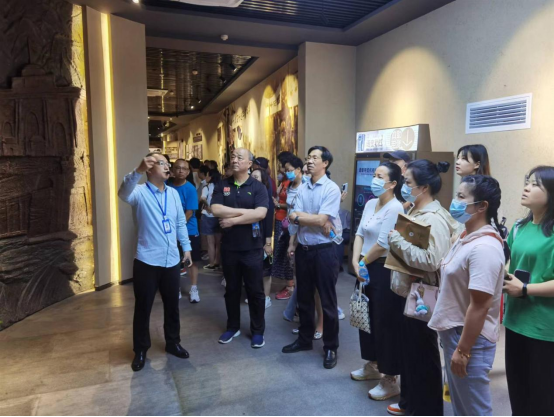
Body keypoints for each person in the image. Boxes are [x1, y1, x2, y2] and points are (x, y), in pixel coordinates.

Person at [429, 176, 505, 416]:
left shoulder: (484, 248)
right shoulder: (466, 236)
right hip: (456, 332)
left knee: (475, 409)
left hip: (470, 338)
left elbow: (480, 306)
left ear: (482, 206)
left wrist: (463, 351)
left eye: (462, 197)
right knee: (463, 405)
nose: (455, 202)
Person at [387, 160, 458, 417]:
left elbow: (431, 260)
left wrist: (396, 241)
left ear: (424, 187)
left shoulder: (433, 218)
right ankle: (411, 403)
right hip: (409, 293)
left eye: (408, 183)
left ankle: (427, 409)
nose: (404, 187)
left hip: (422, 296)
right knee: (411, 353)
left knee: (423, 355)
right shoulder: (416, 210)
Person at [118, 153, 193, 372]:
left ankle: (173, 342)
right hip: (147, 260)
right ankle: (141, 349)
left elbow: (180, 223)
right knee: (143, 307)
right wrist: (137, 170)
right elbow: (123, 193)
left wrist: (186, 247)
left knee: (172, 305)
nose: (168, 167)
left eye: (168, 164)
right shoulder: (139, 192)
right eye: (162, 164)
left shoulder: (173, 194)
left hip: (171, 260)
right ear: (149, 168)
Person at [283, 146, 342, 370]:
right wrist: (309, 218)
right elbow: (293, 215)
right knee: (304, 298)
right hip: (304, 249)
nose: (309, 161)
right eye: (308, 157)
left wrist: (303, 217)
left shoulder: (331, 188)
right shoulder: (303, 186)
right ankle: (305, 339)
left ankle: (331, 347)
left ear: (325, 163)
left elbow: (321, 220)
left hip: (324, 251)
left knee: (327, 301)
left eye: (314, 158)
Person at [350, 162, 405, 401]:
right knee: (365, 317)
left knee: (384, 323)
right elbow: (360, 233)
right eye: (374, 174)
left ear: (392, 183)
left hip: (382, 269)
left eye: (379, 176)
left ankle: (390, 378)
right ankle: (372, 364)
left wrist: (362, 263)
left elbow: (383, 244)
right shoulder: (371, 203)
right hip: (363, 265)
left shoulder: (395, 207)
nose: (374, 179)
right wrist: (355, 262)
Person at [503, 166, 554, 416]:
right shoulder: (519, 226)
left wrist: (524, 289)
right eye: (527, 182)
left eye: (535, 185)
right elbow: (510, 262)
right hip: (515, 320)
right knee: (518, 391)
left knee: (542, 398)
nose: (526, 188)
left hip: (544, 326)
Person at [211, 148, 269, 349]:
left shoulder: (258, 187)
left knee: (255, 291)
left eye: (239, 157)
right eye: (233, 157)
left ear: (249, 164)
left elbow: (260, 214)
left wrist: (233, 221)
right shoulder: (223, 184)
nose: (234, 160)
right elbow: (215, 209)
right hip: (229, 248)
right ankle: (232, 326)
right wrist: (246, 213)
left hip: (252, 248)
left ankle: (258, 331)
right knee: (231, 290)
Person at [168, 160, 202, 303]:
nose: (181, 171)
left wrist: (177, 227)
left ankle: (194, 288)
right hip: (170, 231)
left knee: (192, 261)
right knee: (173, 261)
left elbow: (189, 212)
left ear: (188, 172)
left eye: (184, 169)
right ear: (172, 170)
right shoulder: (167, 186)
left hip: (189, 230)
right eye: (178, 168)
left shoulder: (190, 188)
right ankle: (175, 288)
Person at [273, 154, 296, 301]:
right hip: (283, 221)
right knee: (282, 253)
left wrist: (279, 205)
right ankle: (289, 285)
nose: (282, 170)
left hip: (290, 223)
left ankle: (290, 287)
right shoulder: (286, 182)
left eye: (285, 168)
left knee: (289, 255)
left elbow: (292, 206)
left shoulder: (294, 184)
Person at [251, 167, 275, 309]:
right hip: (251, 237)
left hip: (263, 238)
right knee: (254, 269)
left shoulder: (266, 196)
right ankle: (257, 296)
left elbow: (268, 221)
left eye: (256, 177)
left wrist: (268, 243)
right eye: (251, 177)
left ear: (263, 180)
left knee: (265, 270)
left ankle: (266, 297)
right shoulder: (249, 195)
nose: (253, 179)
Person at [201, 169, 223, 271]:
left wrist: (208, 207)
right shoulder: (221, 187)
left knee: (210, 242)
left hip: (208, 216)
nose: (206, 177)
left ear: (210, 177)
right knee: (218, 242)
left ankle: (211, 263)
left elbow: (202, 198)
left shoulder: (207, 187)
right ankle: (217, 262)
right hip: (219, 216)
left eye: (207, 175)